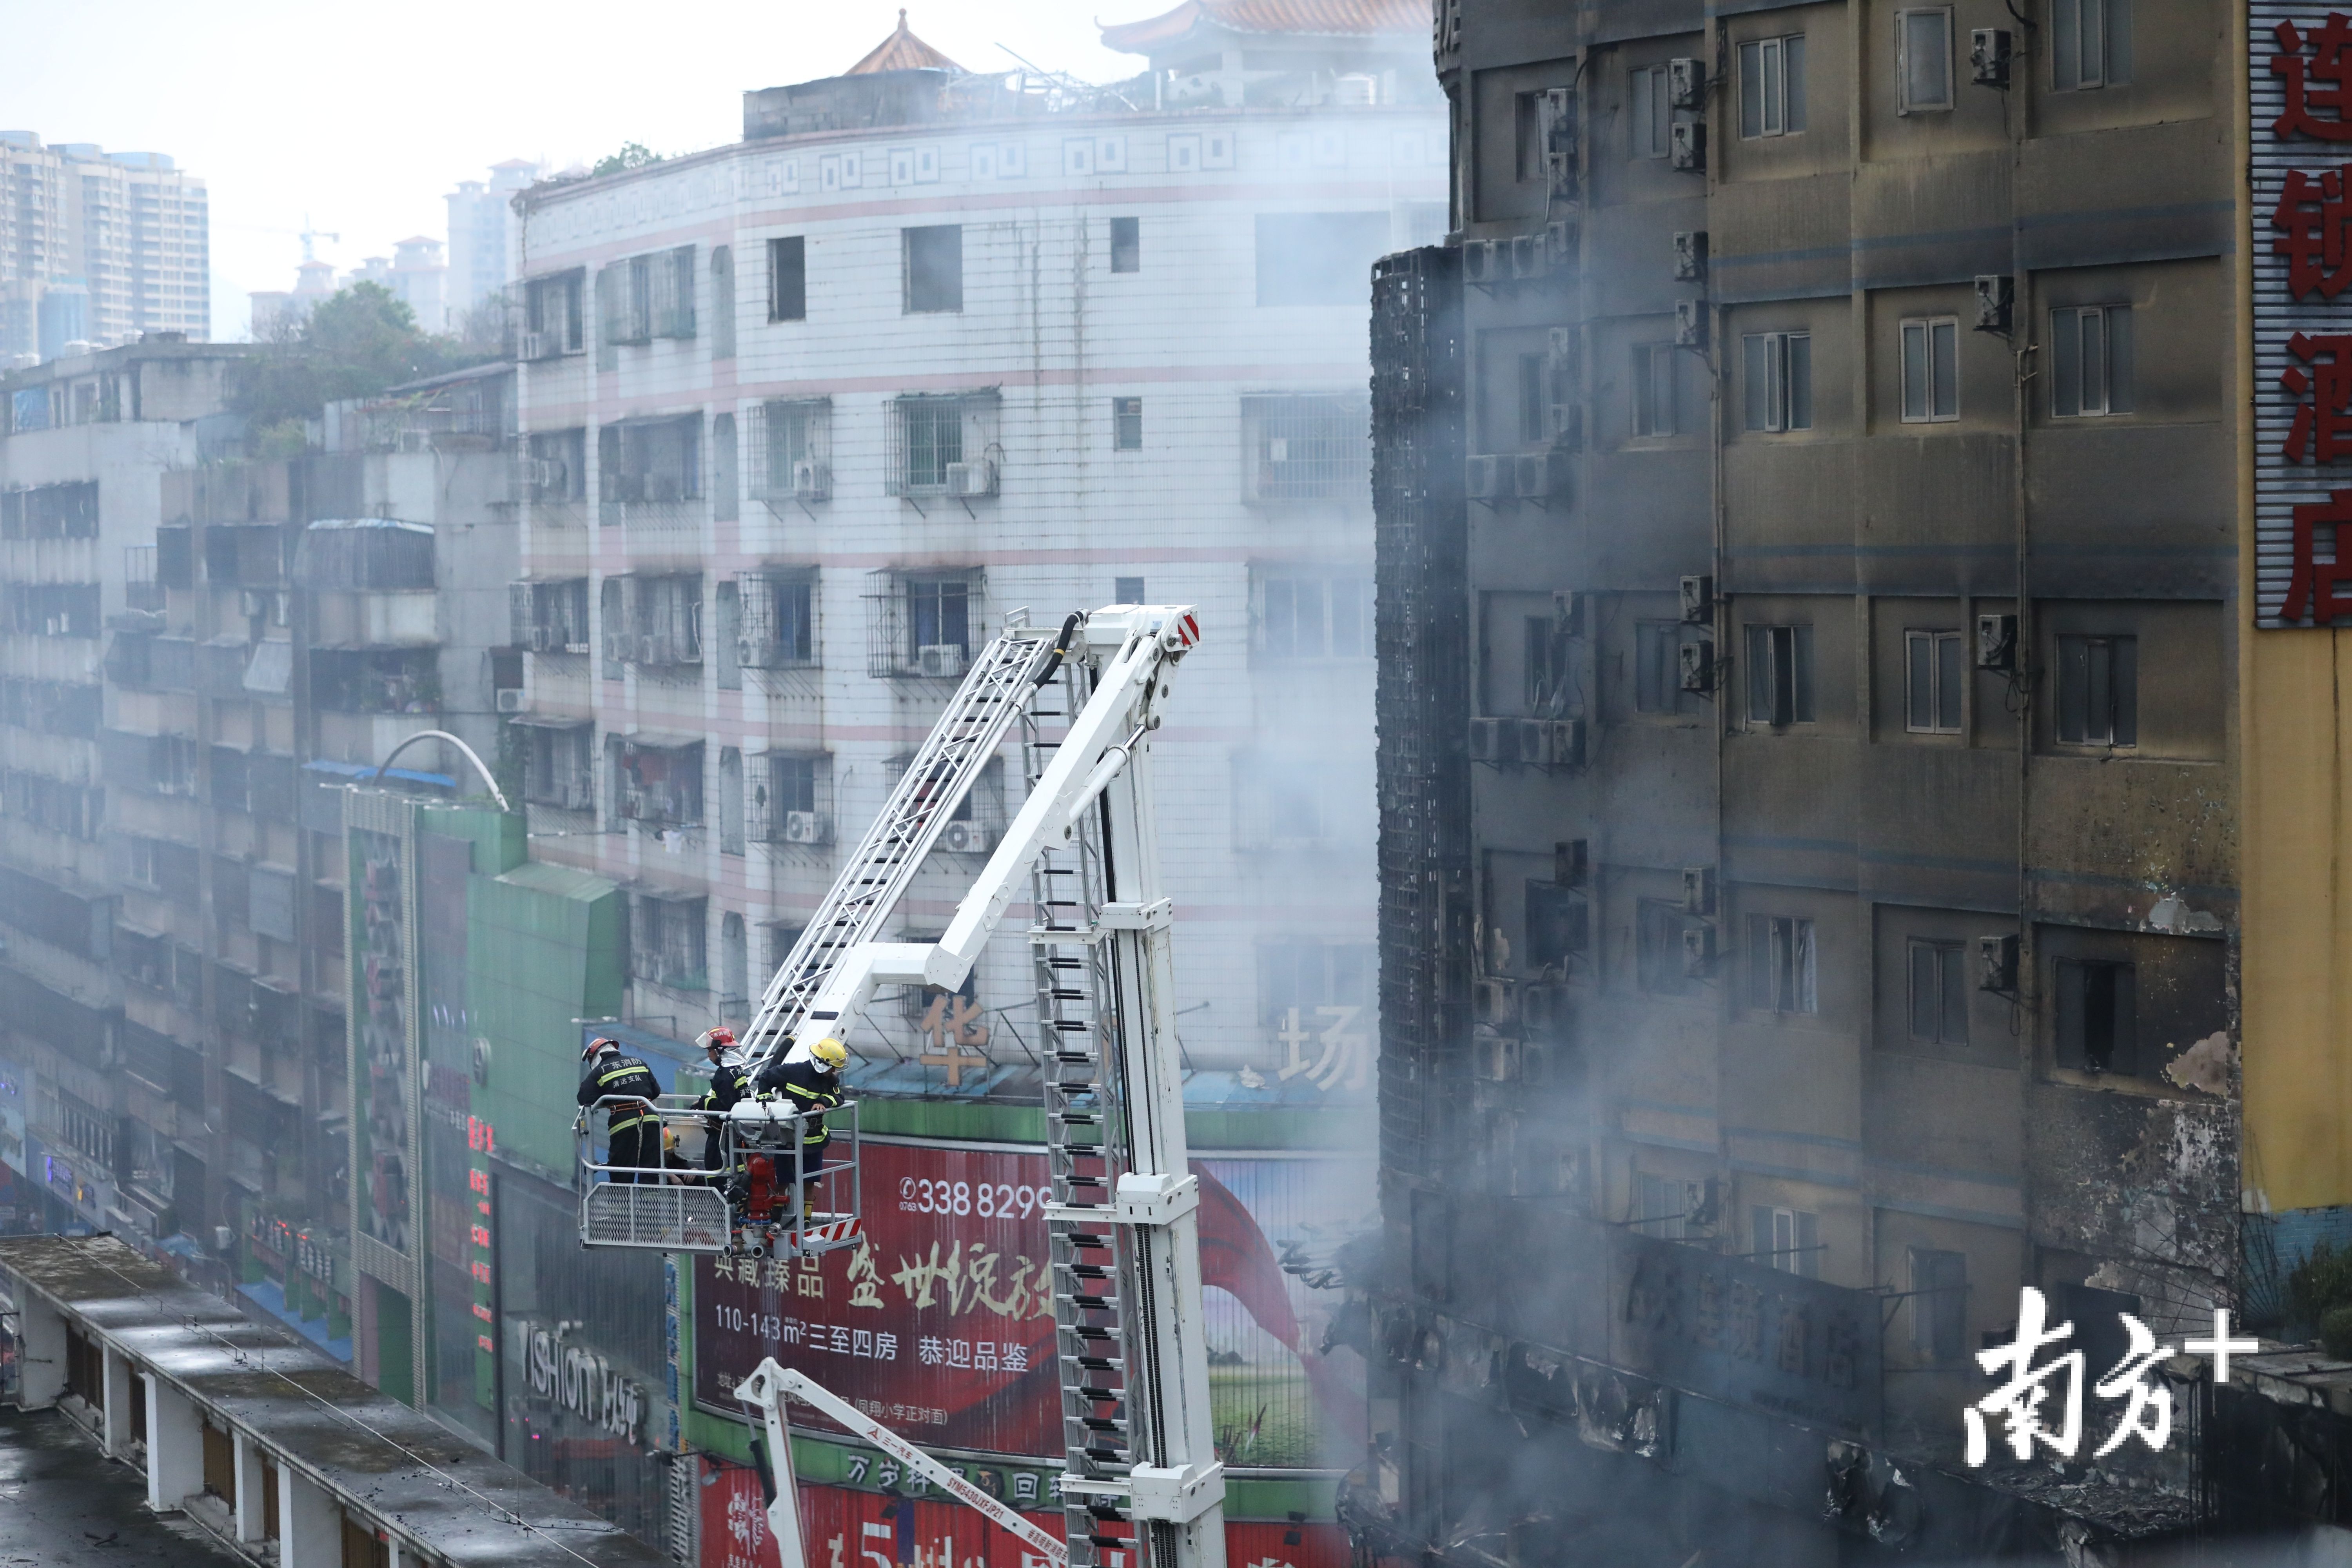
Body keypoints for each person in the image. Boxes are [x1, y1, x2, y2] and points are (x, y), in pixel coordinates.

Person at [754, 1036, 848, 1189]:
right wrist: (766, 1099)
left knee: (809, 1183)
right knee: (783, 1181)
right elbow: (766, 1077)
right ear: (823, 1063)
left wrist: (823, 1102)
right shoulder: (792, 1072)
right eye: (832, 1067)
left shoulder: (830, 1080)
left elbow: (839, 1097)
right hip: (788, 1138)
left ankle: (804, 1214)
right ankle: (778, 1211)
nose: (834, 1071)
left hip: (814, 1139)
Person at [577, 1038, 661, 1184]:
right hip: (651, 1119)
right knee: (651, 1169)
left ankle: (620, 1206)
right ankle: (651, 1205)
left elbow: (584, 1098)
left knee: (620, 1171)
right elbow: (656, 1091)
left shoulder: (600, 1071)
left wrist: (607, 1099)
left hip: (624, 1124)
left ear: (594, 1057)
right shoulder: (639, 1062)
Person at [693, 1026, 751, 1172]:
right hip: (738, 1135)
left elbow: (726, 1107)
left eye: (710, 1051)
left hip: (723, 1138)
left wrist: (703, 1102)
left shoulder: (724, 1076)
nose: (709, 1055)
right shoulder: (736, 1069)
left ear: (719, 1050)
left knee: (717, 1176)